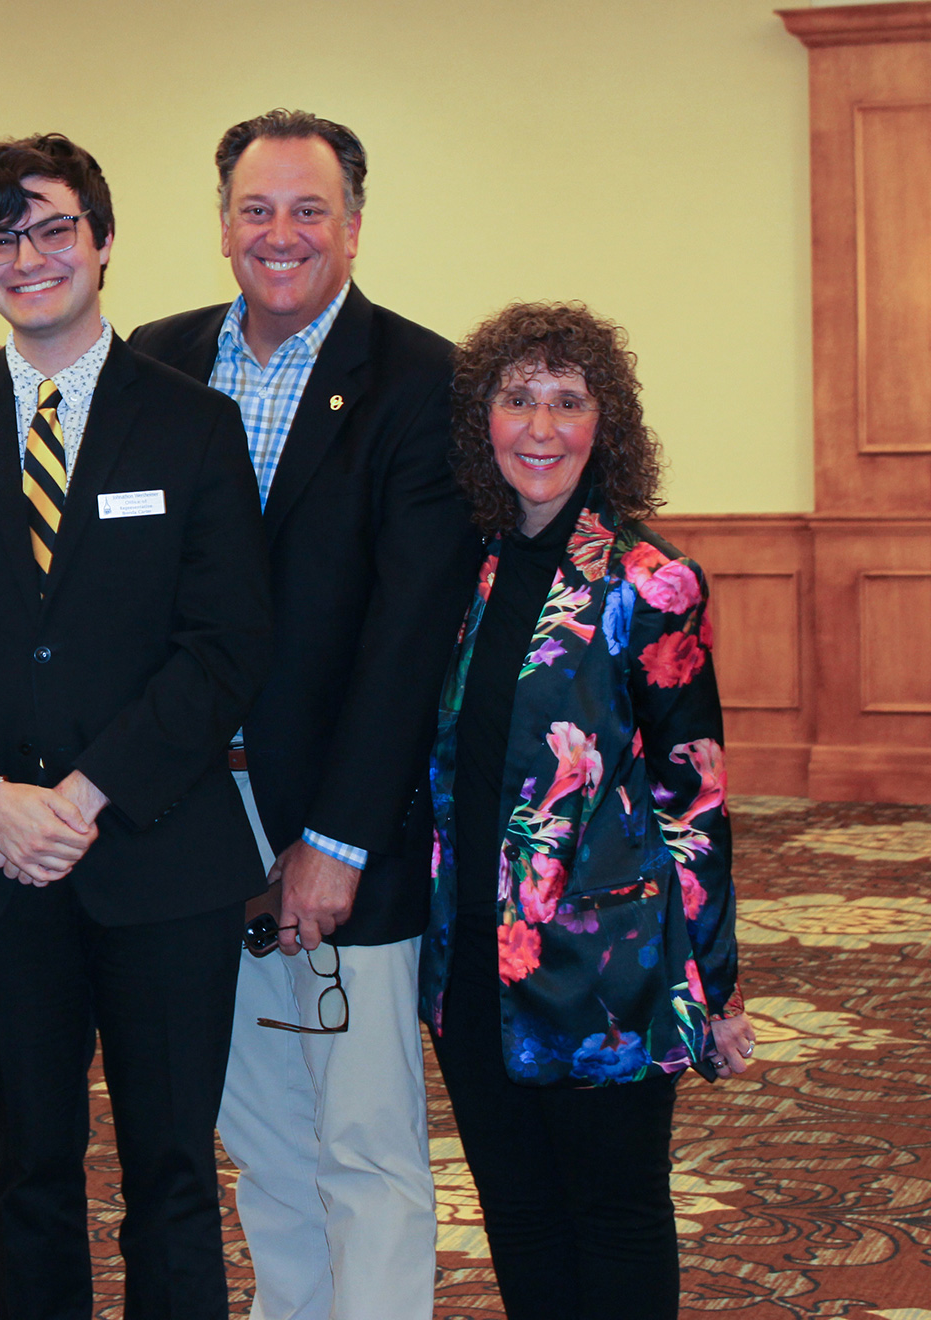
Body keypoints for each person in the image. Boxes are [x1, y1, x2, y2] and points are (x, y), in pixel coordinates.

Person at [0, 110, 478, 1319]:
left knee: (363, 1139)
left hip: (331, 821)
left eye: (307, 210)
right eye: (254, 209)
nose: (279, 234)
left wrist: (334, 843)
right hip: (170, 830)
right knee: (254, 1145)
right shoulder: (166, 361)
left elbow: (405, 644)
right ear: (217, 222)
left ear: (352, 223)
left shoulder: (420, 383)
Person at [0, 133, 272, 1320]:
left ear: (101, 238)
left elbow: (225, 648)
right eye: (2, 237)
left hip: (156, 863)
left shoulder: (193, 426)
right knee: (29, 1175)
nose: (28, 258)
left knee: (173, 1175)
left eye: (52, 229)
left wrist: (79, 798)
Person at [427, 301, 754, 1318]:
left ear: (604, 423)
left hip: (607, 968)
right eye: (515, 398)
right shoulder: (459, 571)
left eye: (567, 401)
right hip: (472, 957)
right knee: (517, 1215)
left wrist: (716, 981)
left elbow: (693, 796)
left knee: (612, 1218)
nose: (539, 426)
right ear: (480, 420)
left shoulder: (649, 584)